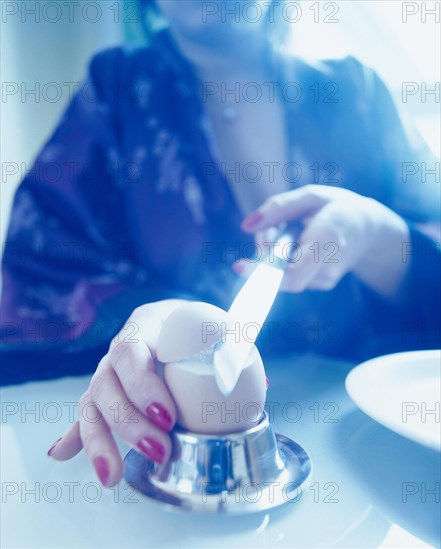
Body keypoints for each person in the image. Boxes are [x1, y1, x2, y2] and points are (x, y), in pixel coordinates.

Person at [1, 0, 439, 486]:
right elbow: (41, 264)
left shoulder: (357, 92)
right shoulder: (116, 89)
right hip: (169, 478)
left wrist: (378, 236)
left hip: (376, 464)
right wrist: (152, 321)